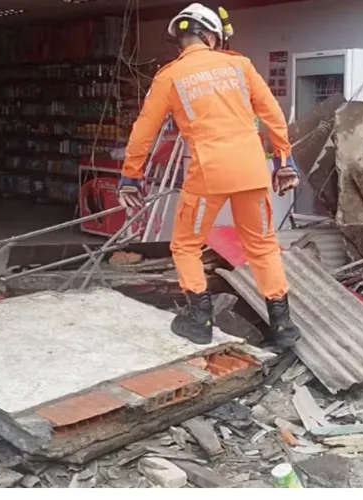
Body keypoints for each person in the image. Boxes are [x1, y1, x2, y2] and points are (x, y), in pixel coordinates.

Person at [117, 3, 301, 350]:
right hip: (250, 170)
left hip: (208, 173)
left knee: (185, 244)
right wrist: (284, 159)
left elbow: (145, 129)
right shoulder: (239, 64)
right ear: (212, 35)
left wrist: (131, 175)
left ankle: (199, 320)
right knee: (262, 247)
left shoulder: (169, 75)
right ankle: (283, 328)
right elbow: (272, 113)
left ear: (183, 40)